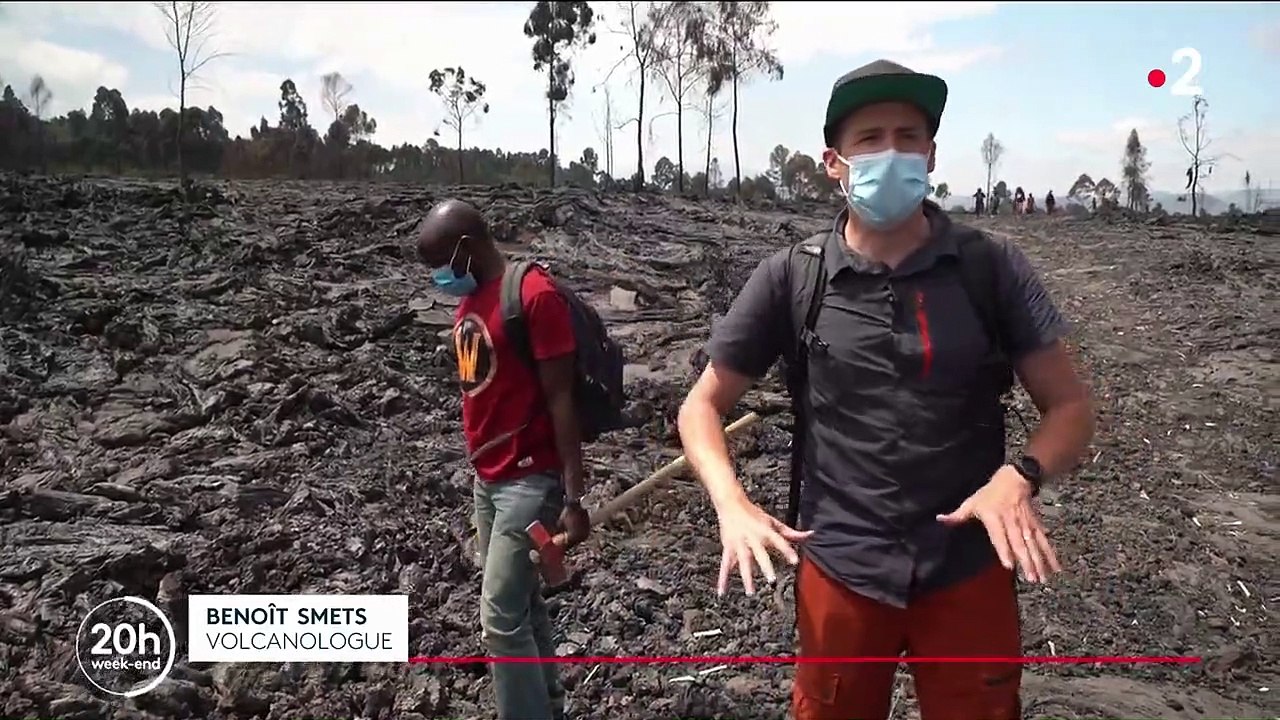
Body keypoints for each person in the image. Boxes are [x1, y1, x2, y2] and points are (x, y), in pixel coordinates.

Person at [676, 59, 1095, 720]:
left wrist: (1020, 478)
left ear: (930, 155)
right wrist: (731, 504)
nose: (891, 152)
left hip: (969, 568)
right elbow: (701, 406)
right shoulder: (794, 277)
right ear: (833, 162)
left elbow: (1069, 406)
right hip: (841, 568)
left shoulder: (991, 268)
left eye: (908, 136)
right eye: (870, 138)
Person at [416, 199, 590, 720]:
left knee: (499, 618)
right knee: (523, 605)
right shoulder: (470, 301)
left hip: (527, 481)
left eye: (442, 263)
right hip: (487, 481)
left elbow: (563, 402)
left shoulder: (534, 296)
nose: (440, 277)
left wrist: (574, 498)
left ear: (467, 248)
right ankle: (548, 708)